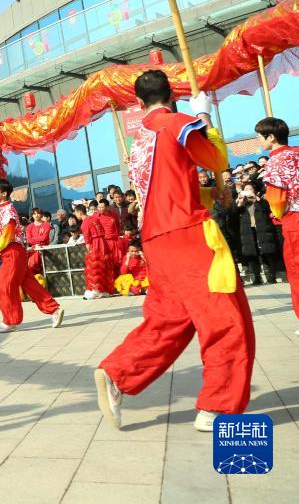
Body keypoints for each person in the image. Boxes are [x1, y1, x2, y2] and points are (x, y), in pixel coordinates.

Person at [96, 71, 254, 433]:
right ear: (172, 96)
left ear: (139, 103)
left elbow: (168, 189)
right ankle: (218, 406)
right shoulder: (177, 123)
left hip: (156, 238)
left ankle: (118, 372)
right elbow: (216, 159)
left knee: (170, 320)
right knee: (226, 317)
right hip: (188, 235)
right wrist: (204, 116)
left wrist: (211, 195)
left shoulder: (140, 138)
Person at [0, 177, 63, 333]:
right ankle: (54, 309)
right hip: (13, 253)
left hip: (12, 252)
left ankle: (11, 320)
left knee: (3, 288)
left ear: (4, 193)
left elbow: (8, 235)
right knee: (30, 285)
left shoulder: (8, 211)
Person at [256, 117, 299, 336]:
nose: (259, 140)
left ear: (271, 137)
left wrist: (276, 215)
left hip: (296, 221)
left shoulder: (275, 161)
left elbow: (276, 198)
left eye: (260, 136)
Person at [234, 181, 279, 285]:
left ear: (254, 191)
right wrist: (240, 202)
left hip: (262, 229)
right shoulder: (242, 202)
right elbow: (235, 213)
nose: (248, 191)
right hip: (248, 230)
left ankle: (272, 276)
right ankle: (257, 278)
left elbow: (267, 209)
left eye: (250, 189)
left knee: (268, 252)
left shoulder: (261, 201)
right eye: (246, 189)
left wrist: (256, 198)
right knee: (252, 254)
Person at [74, 203, 112, 299]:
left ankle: (95, 290)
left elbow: (87, 240)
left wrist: (90, 251)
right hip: (103, 242)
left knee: (94, 267)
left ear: (79, 212)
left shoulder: (84, 223)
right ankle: (104, 290)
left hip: (95, 244)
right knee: (104, 266)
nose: (75, 215)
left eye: (75, 212)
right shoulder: (95, 218)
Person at [25, 208, 52, 280]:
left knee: (46, 271)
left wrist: (34, 239)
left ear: (41, 214)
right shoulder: (29, 227)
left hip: (45, 250)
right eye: (34, 214)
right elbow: (29, 240)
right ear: (32, 215)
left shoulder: (46, 225)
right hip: (34, 250)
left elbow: (44, 238)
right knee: (32, 267)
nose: (36, 215)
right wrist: (36, 244)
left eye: (38, 213)